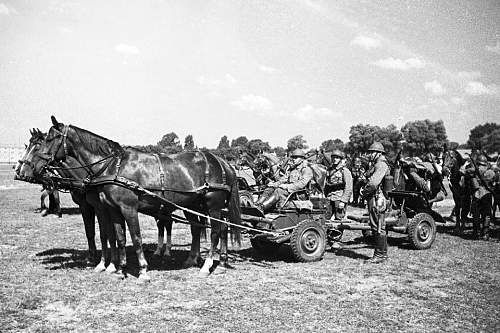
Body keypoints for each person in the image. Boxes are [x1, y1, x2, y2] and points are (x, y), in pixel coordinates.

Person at [255, 148, 313, 213]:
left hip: (299, 193)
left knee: (278, 191)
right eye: (293, 157)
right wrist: (274, 184)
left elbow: (301, 184)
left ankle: (262, 208)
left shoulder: (306, 169)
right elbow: (283, 179)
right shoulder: (291, 169)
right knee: (270, 189)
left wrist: (286, 186)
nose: (293, 159)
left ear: (302, 159)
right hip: (289, 191)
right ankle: (257, 205)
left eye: (296, 158)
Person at [361, 142, 391, 264]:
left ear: (378, 153)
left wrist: (364, 191)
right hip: (376, 197)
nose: (369, 154)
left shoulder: (381, 164)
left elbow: (373, 183)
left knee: (377, 226)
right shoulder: (377, 164)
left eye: (371, 152)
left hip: (378, 198)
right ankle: (382, 254)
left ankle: (380, 255)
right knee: (377, 225)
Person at [466, 155, 495, 240]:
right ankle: (485, 234)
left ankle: (476, 233)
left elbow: (464, 172)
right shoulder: (490, 171)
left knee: (476, 214)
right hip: (487, 194)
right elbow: (494, 180)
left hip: (477, 194)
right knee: (487, 215)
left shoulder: (472, 170)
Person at [324, 150, 353, 220]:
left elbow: (348, 187)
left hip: (339, 198)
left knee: (339, 219)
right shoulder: (329, 170)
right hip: (329, 197)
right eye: (333, 157)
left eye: (337, 158)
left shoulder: (344, 171)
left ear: (340, 159)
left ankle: (338, 231)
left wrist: (343, 201)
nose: (335, 159)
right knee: (325, 218)